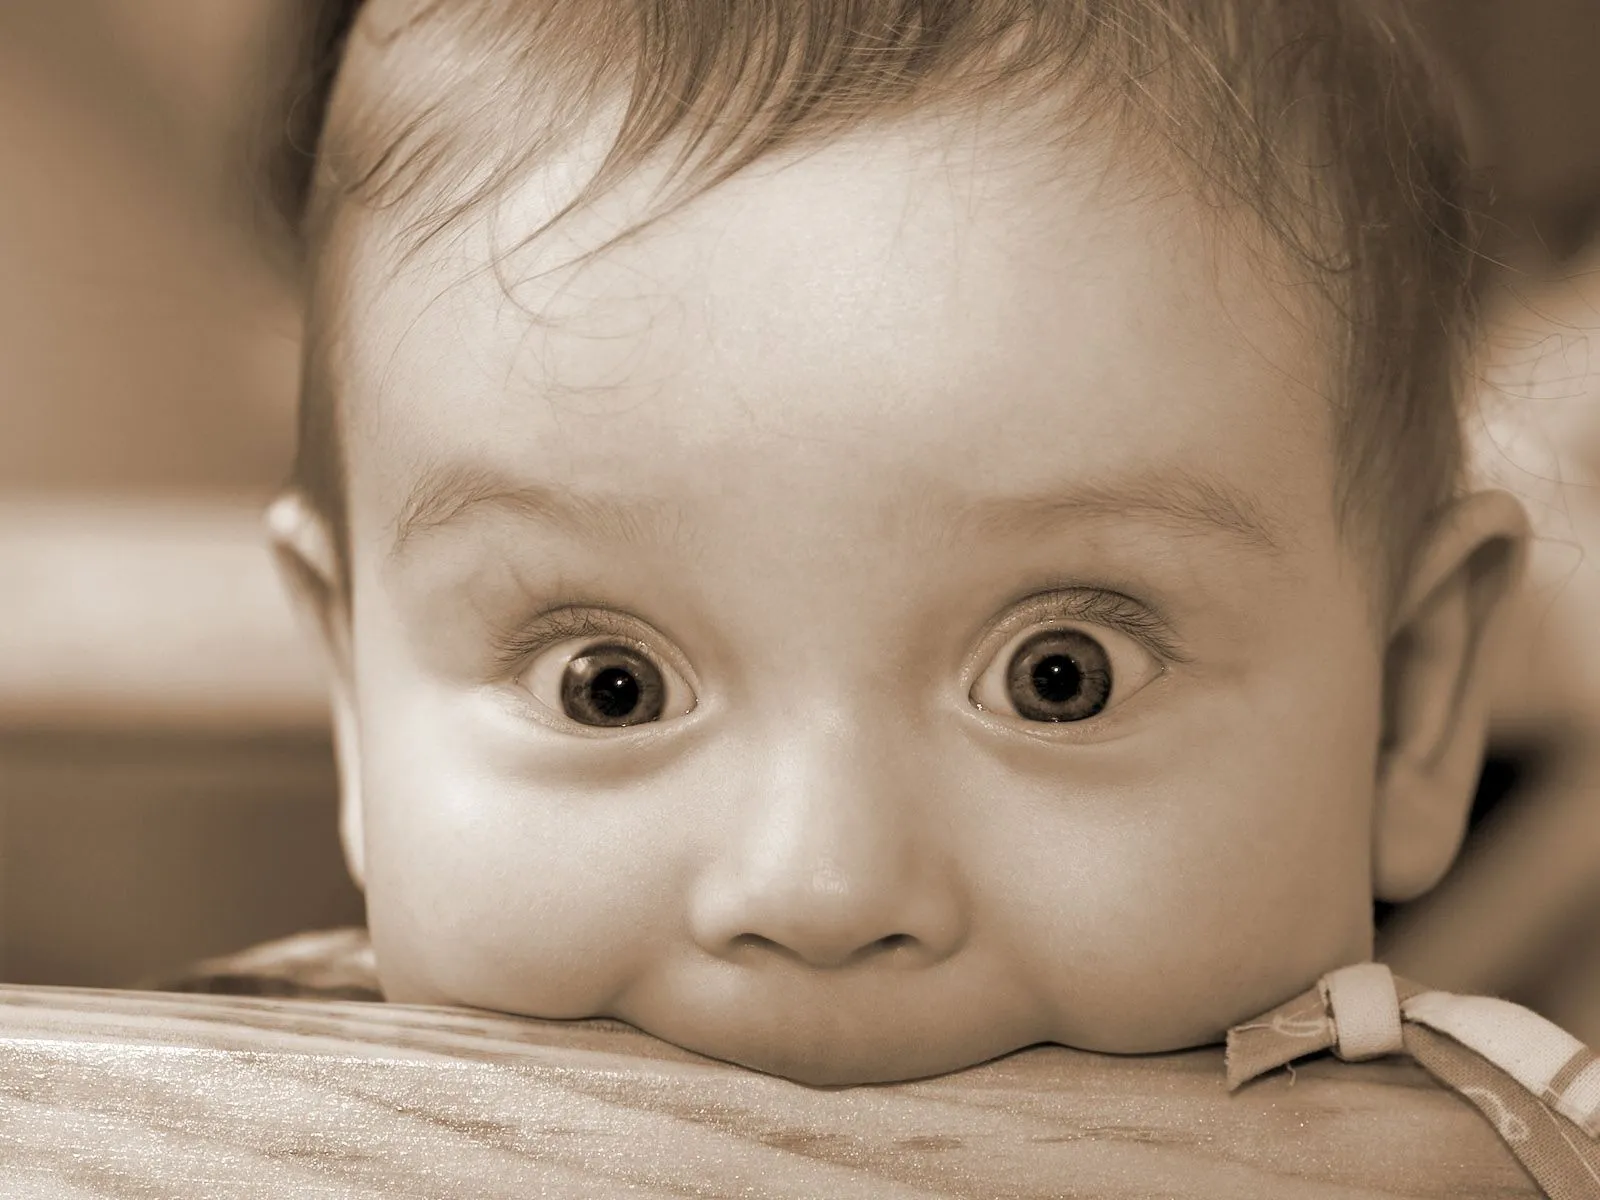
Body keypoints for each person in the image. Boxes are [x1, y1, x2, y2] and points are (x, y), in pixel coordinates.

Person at [164, 0, 1599, 1187]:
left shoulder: (1506, 1162)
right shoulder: (163, 1131)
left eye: (1062, 675)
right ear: (358, 696)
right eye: (610, 685)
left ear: (1409, 701)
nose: (822, 888)